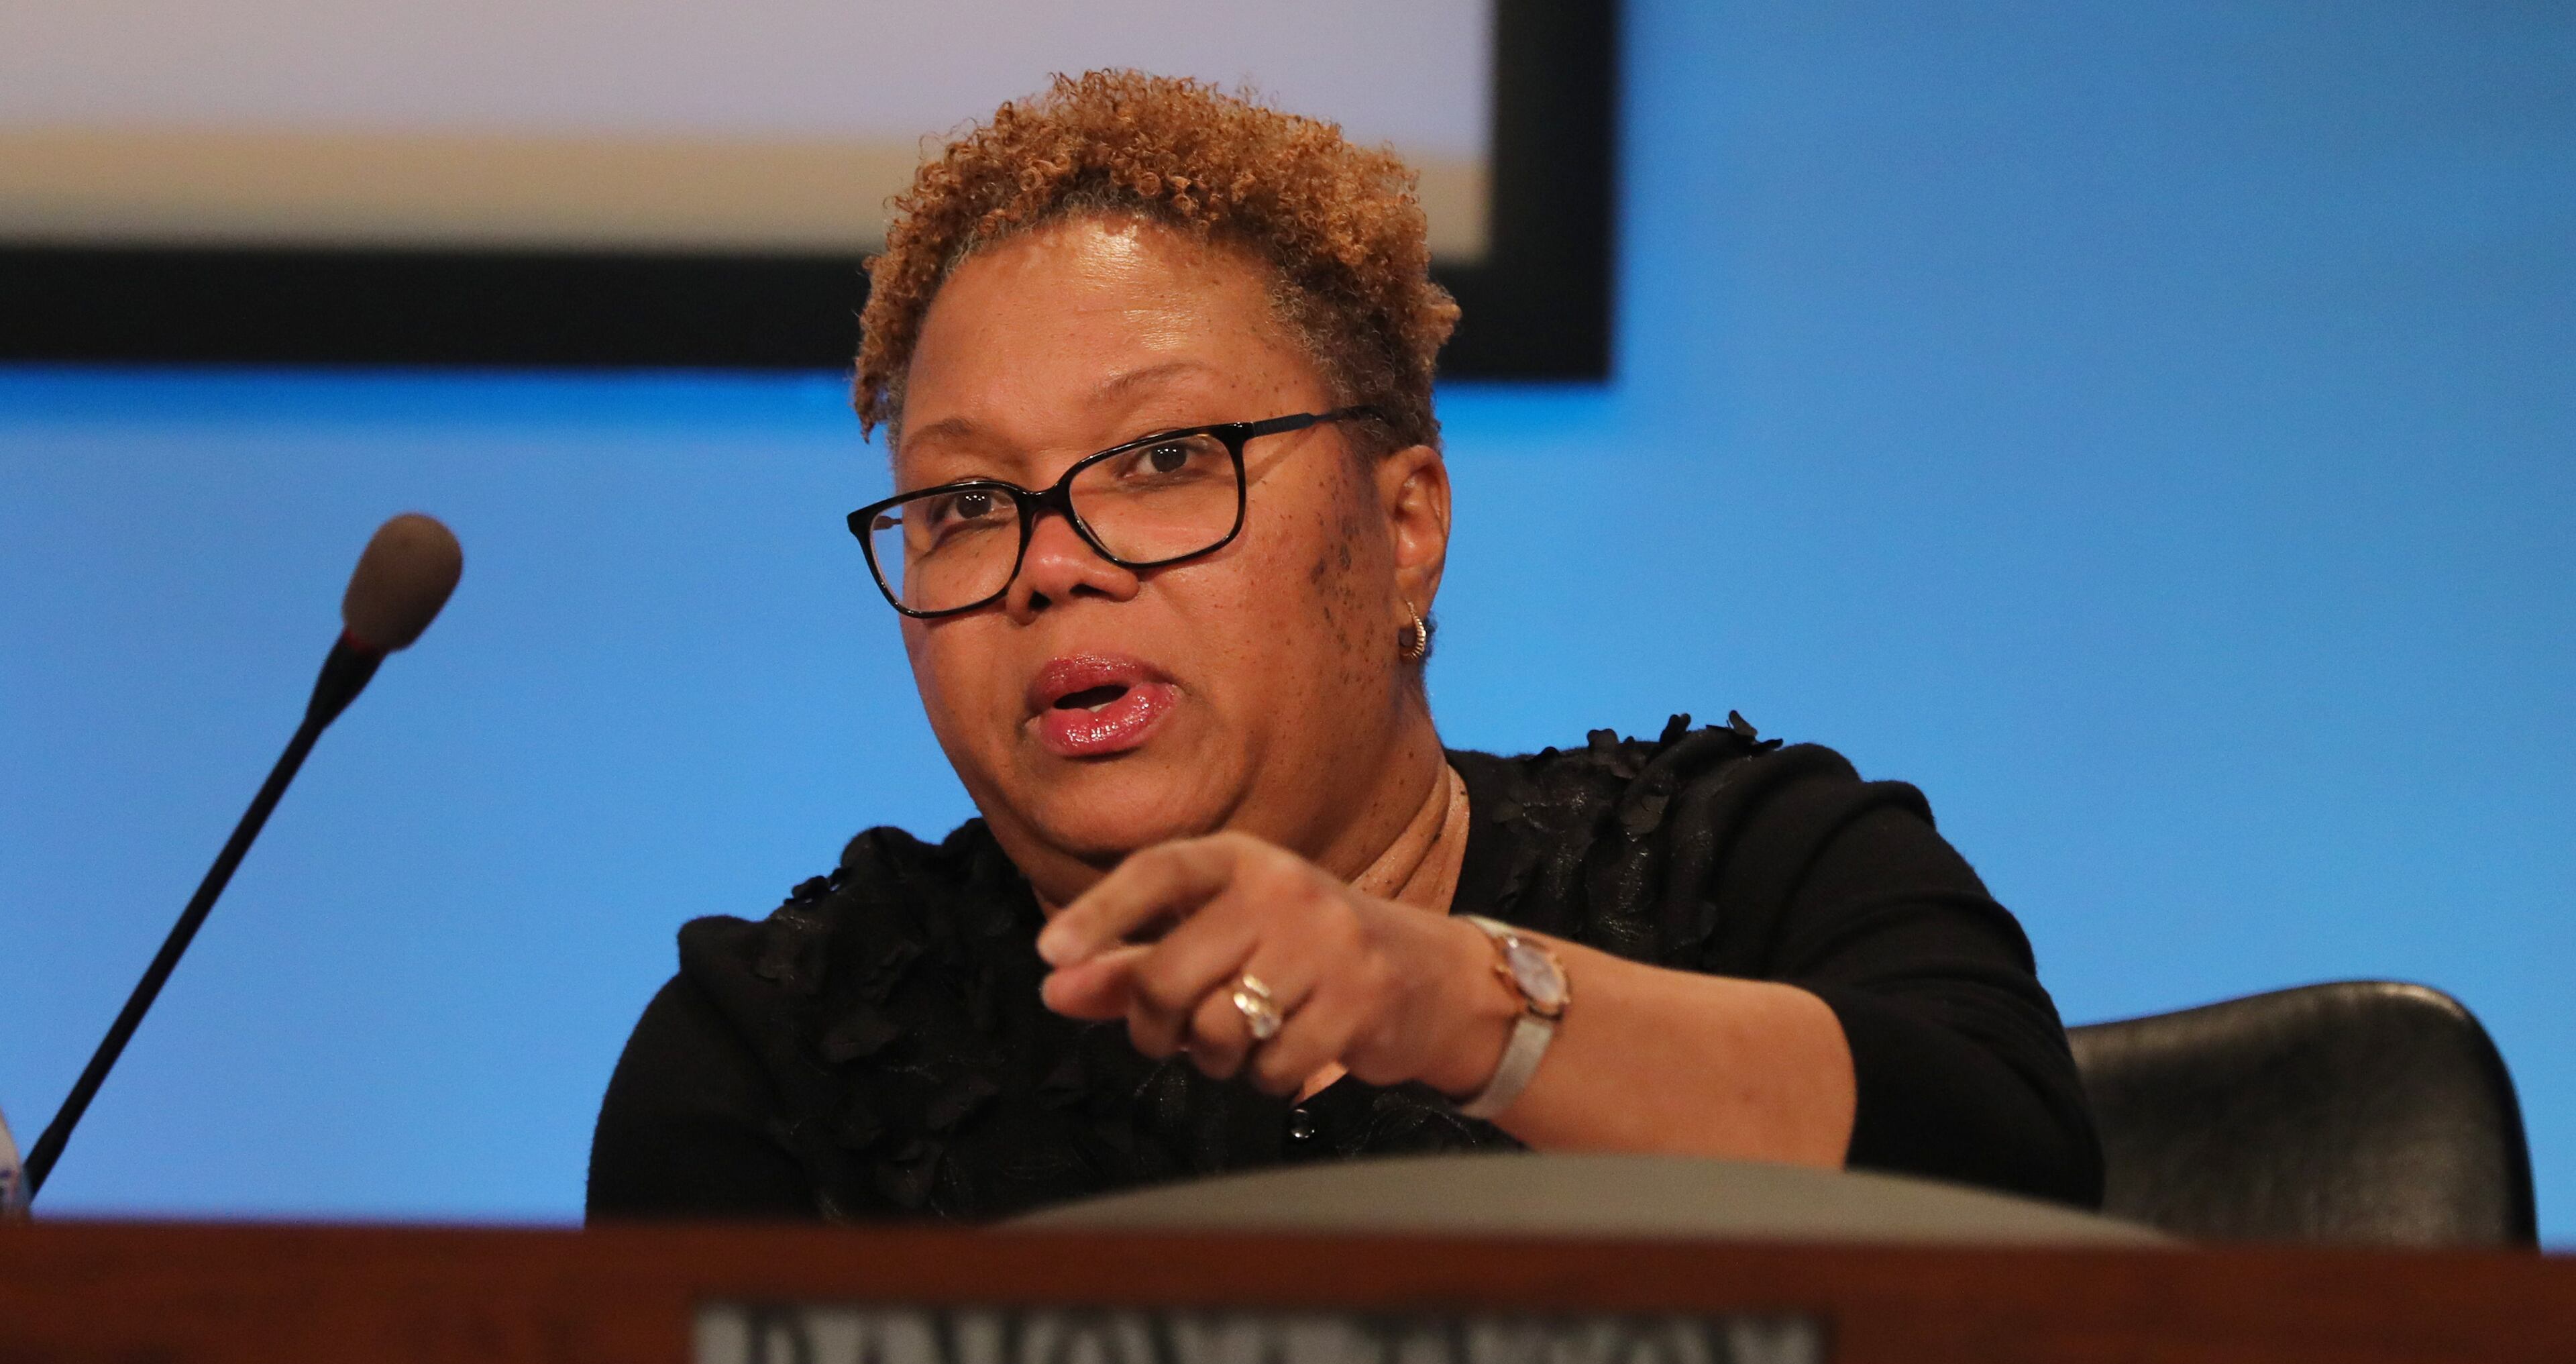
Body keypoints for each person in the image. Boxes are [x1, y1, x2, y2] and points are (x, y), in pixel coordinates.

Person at [586, 71, 2102, 1220]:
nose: (1049, 566)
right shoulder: (780, 1050)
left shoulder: (1748, 868)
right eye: (968, 504)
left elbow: (2022, 1199)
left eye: (1165, 459)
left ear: (1406, 523)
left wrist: (1444, 1000)